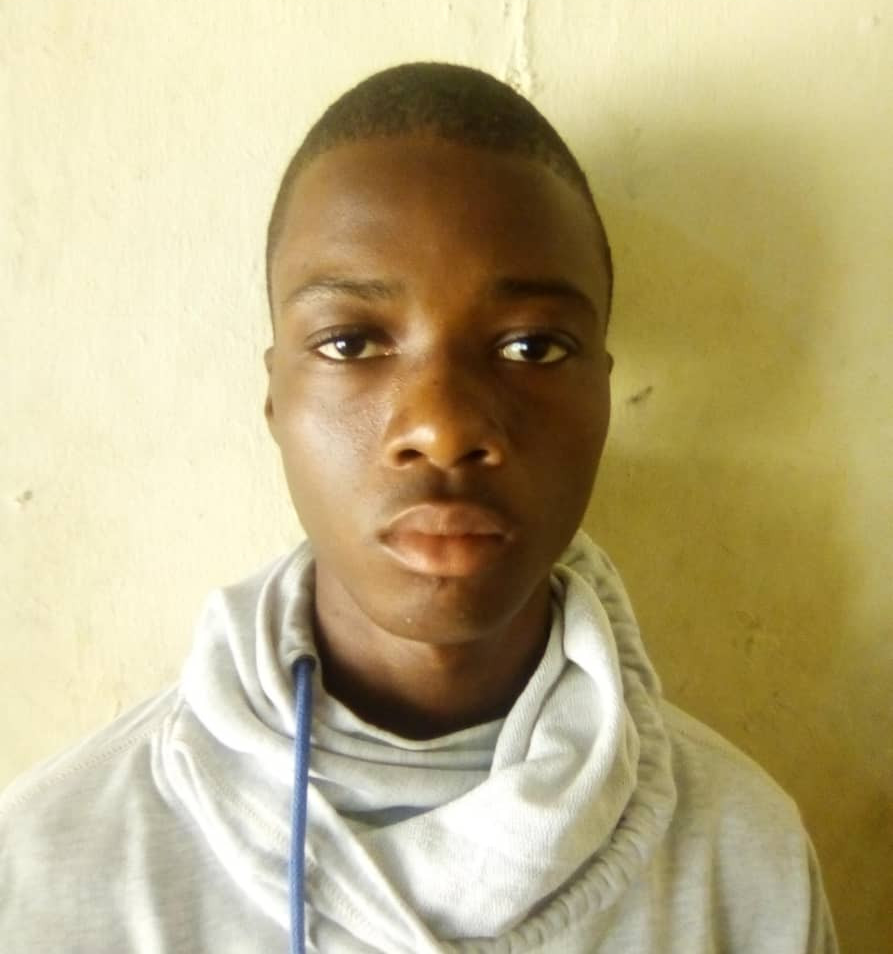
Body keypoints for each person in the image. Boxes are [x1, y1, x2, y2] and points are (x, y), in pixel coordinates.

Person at [0, 63, 837, 953]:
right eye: (350, 342)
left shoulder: (742, 863)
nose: (442, 429)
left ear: (603, 394)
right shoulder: (53, 868)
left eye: (531, 347)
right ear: (275, 397)